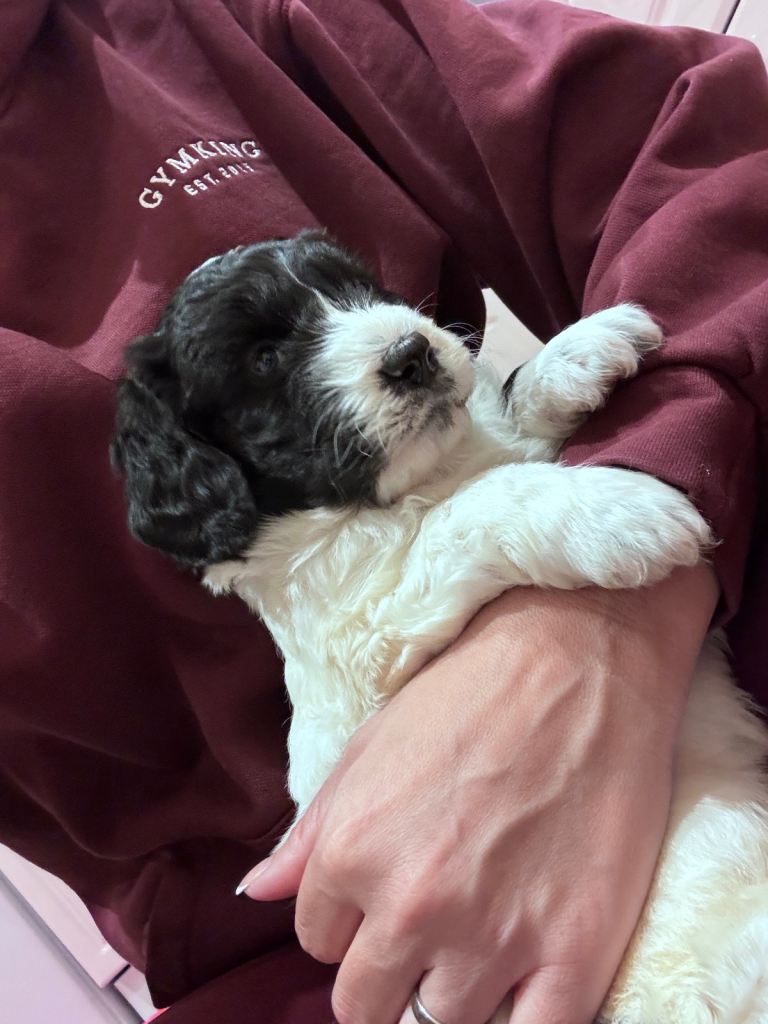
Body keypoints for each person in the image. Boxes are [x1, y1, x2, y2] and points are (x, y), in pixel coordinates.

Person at [0, 1, 765, 1022]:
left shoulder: (208, 22)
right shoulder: (250, 522)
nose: (384, 332)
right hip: (299, 928)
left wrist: (603, 625)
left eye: (351, 288)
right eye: (272, 355)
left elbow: (705, 135)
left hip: (708, 588)